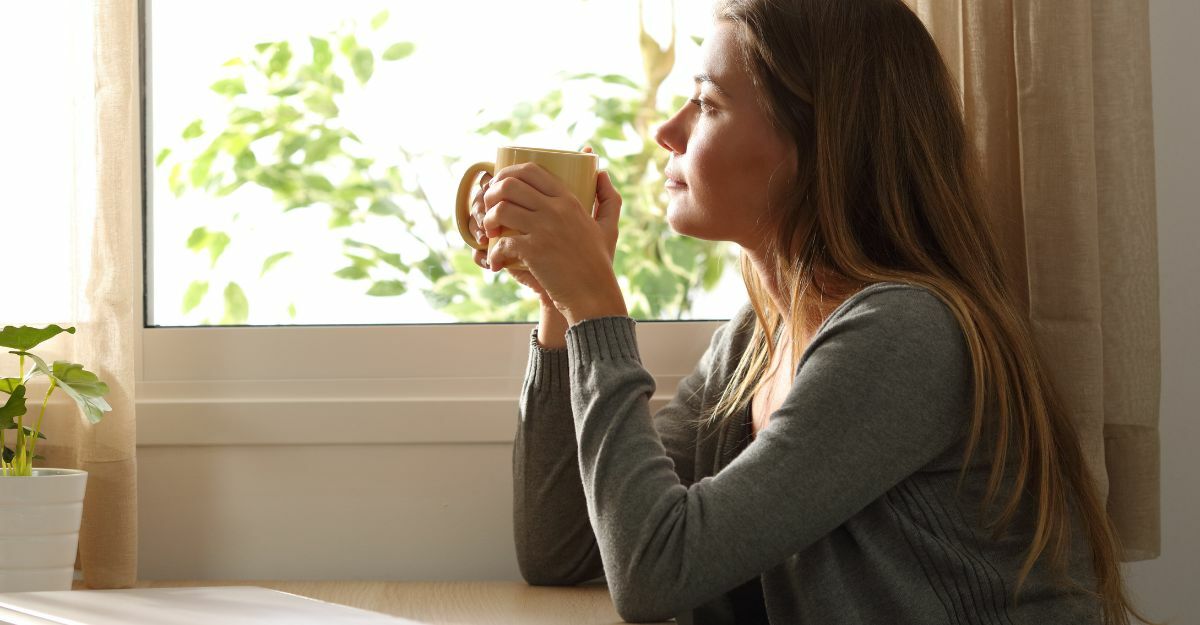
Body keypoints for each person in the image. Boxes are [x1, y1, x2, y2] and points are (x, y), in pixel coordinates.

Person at [465, 1, 1156, 623]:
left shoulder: (906, 336)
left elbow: (656, 573)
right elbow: (559, 546)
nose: (667, 133)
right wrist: (561, 307)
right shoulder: (755, 342)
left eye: (705, 104)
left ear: (814, 144)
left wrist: (596, 306)